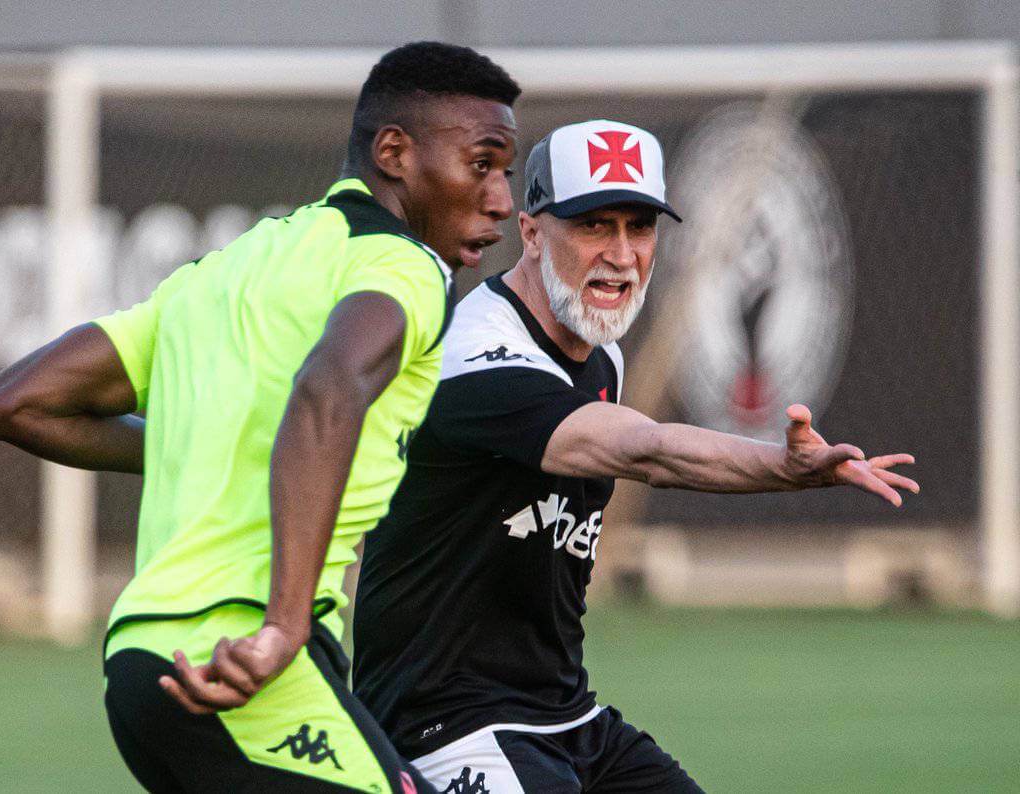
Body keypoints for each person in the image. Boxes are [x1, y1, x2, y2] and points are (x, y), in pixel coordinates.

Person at [0, 42, 520, 793]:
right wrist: (284, 626)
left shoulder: (223, 272)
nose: (502, 200)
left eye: (507, 172)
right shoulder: (403, 267)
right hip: (242, 655)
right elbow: (328, 389)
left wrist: (199, 445)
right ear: (394, 152)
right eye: (483, 164)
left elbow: (14, 402)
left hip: (139, 663)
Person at [351, 119, 918, 793]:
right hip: (442, 724)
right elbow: (646, 449)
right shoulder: (473, 355)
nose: (622, 254)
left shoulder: (603, 358)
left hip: (564, 716)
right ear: (531, 233)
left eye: (639, 227)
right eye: (593, 226)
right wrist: (781, 466)